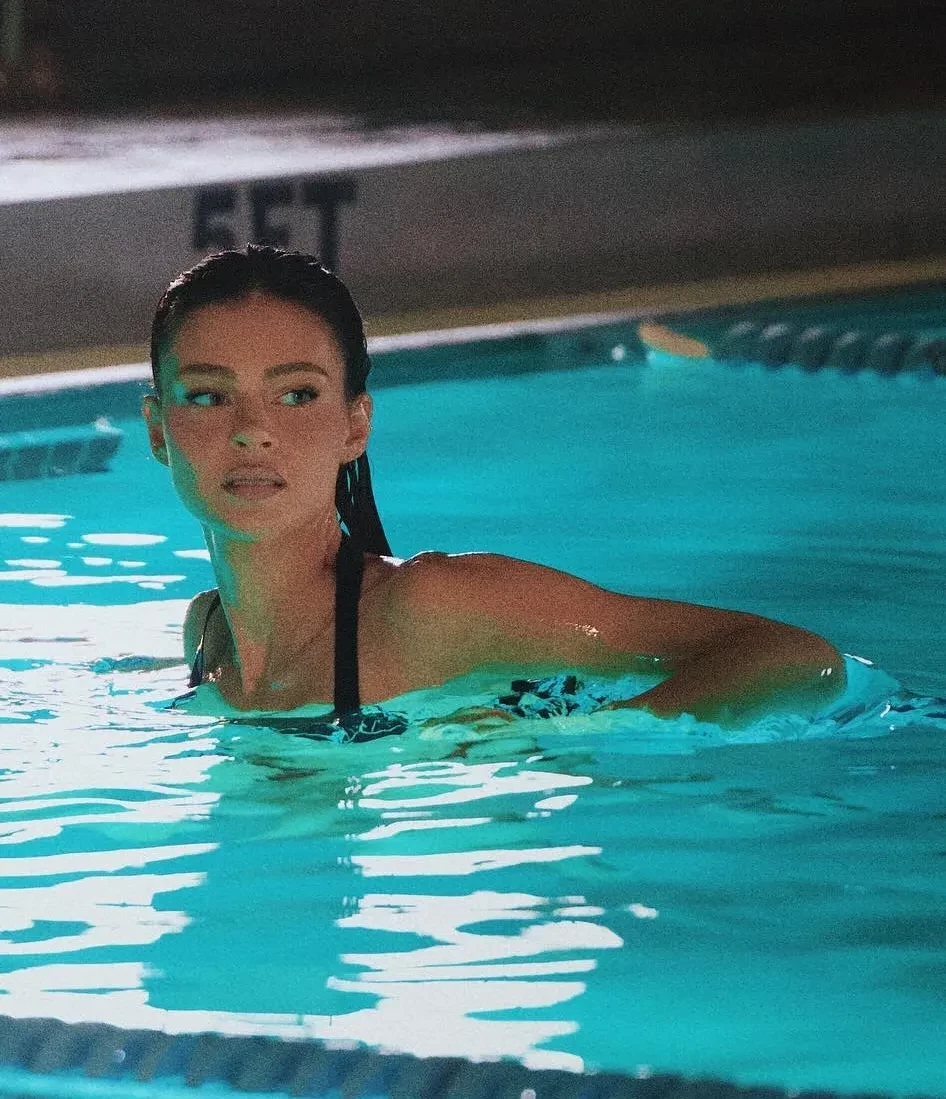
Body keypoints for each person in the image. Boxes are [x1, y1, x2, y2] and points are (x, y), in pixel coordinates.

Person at [143, 244, 845, 731]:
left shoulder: (428, 610)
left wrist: (586, 736)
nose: (253, 432)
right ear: (156, 431)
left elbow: (794, 659)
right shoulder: (208, 636)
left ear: (355, 426)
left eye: (297, 394)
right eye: (207, 396)